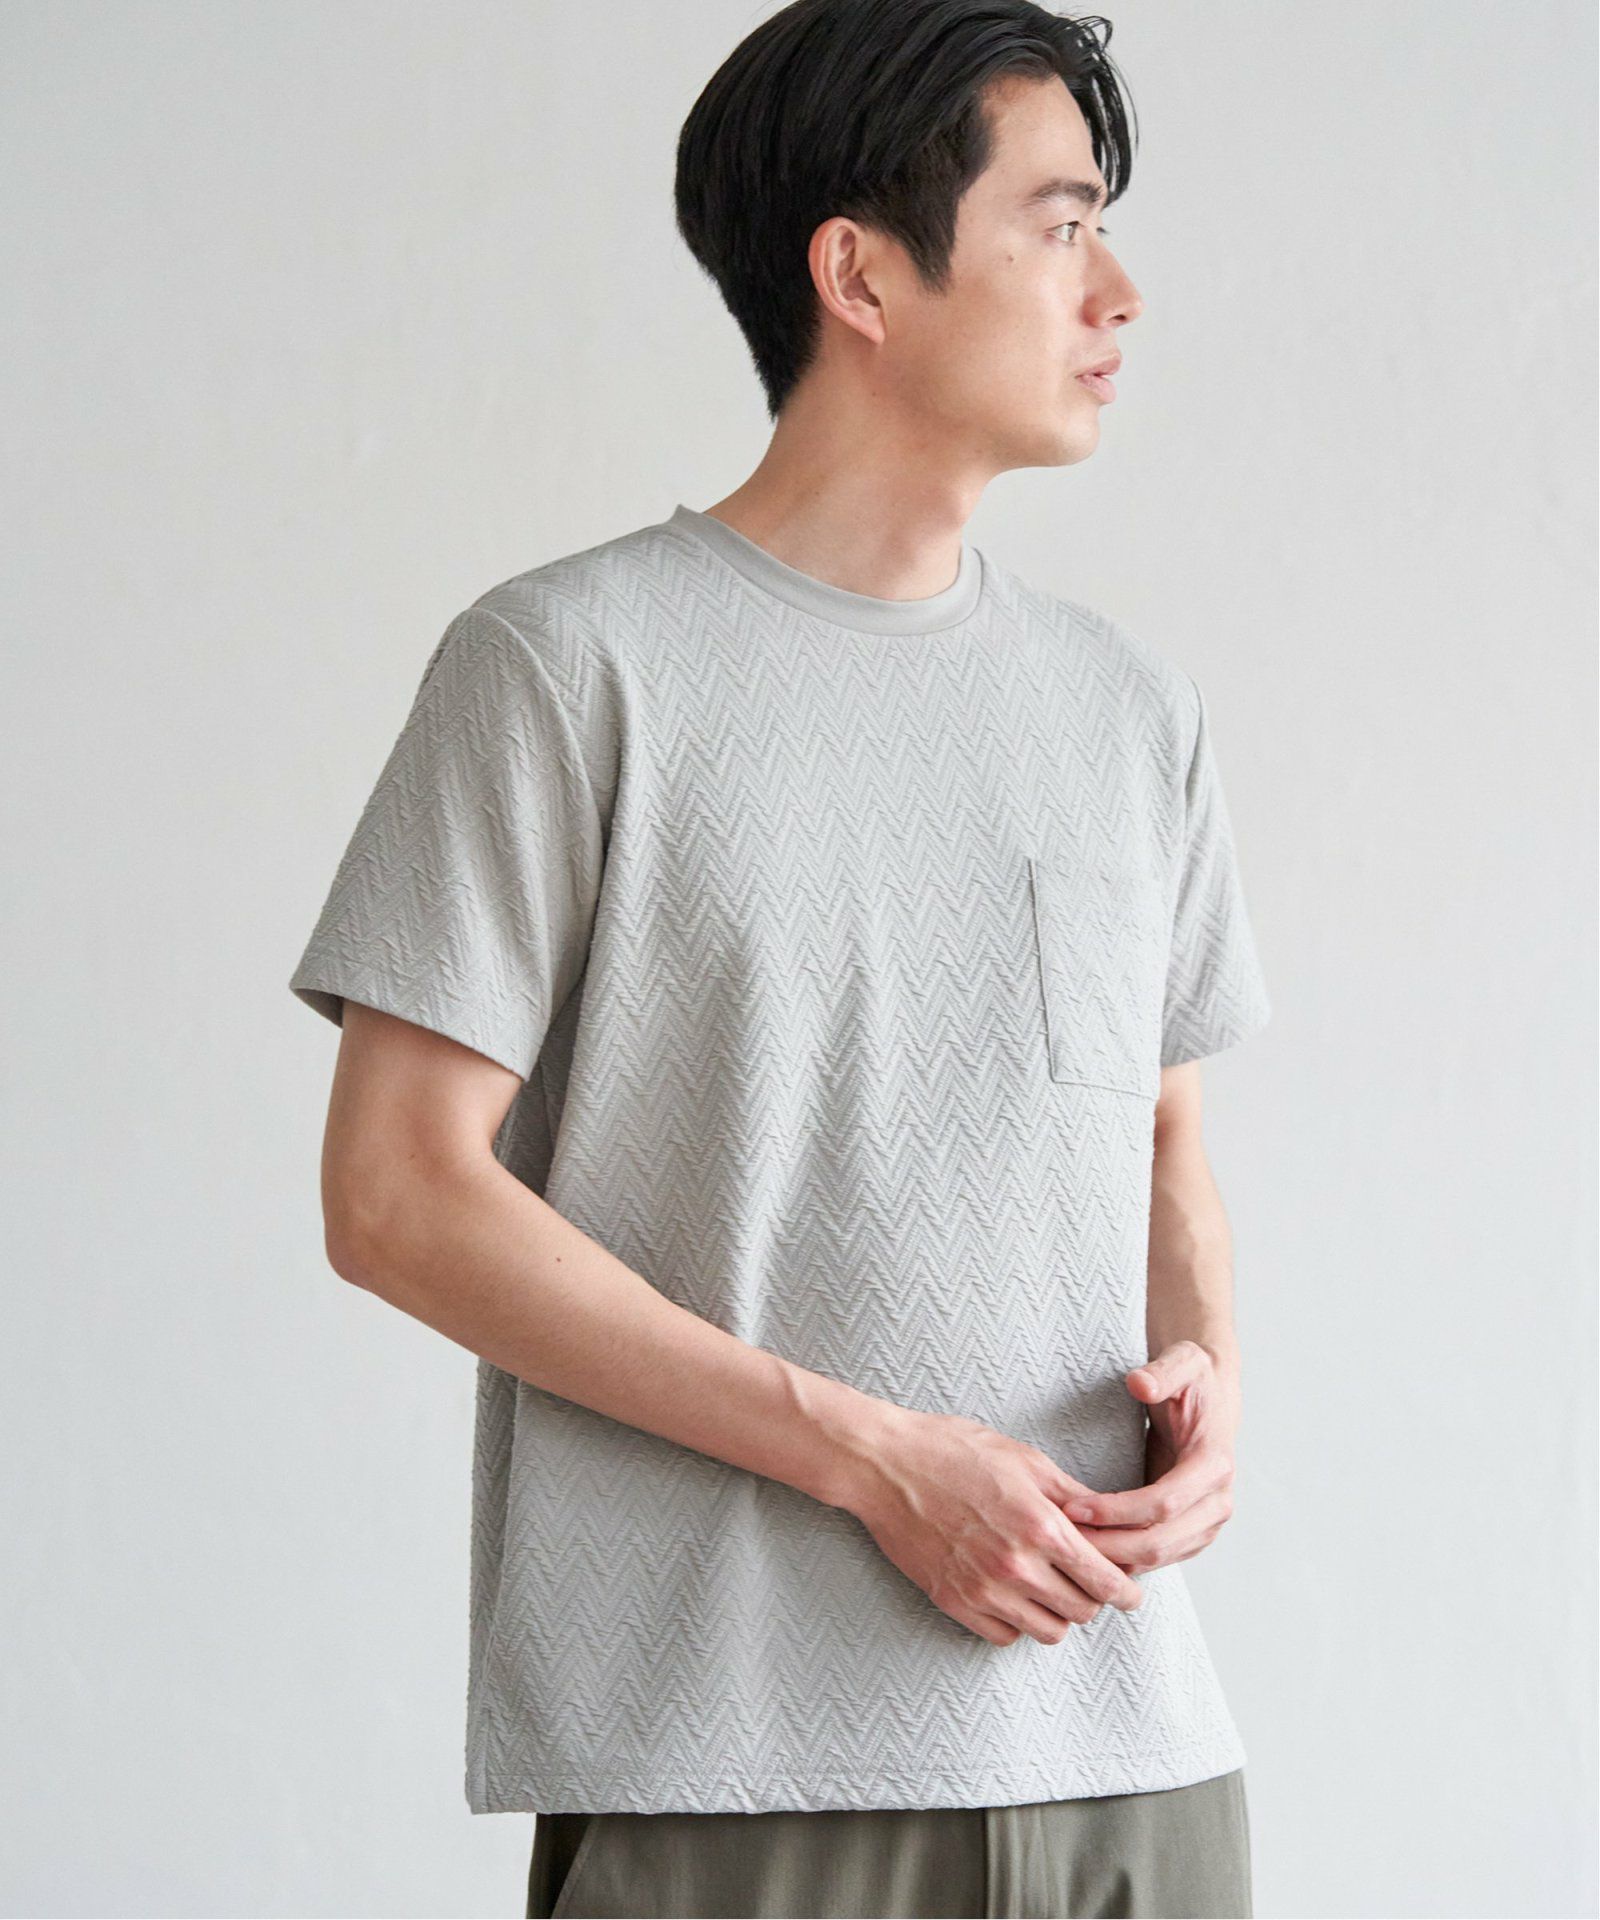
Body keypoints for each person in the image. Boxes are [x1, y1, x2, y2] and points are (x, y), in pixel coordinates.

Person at [287, 2, 1271, 1913]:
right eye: (1063, 224)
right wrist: (872, 1457)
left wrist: (1213, 1380)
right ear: (861, 275)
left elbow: (1164, 1143)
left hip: (1134, 1764)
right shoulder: (567, 669)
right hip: (734, 1771)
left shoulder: (1132, 713)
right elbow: (394, 1198)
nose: (1120, 291)